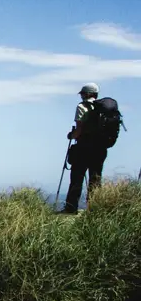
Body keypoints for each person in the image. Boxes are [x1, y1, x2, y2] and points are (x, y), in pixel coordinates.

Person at [60, 83, 108, 214]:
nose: (81, 96)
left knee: (77, 178)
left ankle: (71, 208)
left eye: (82, 94)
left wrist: (71, 135)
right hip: (100, 148)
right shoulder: (103, 109)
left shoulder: (82, 107)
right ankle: (94, 209)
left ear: (86, 94)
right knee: (95, 178)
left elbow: (79, 128)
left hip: (84, 147)